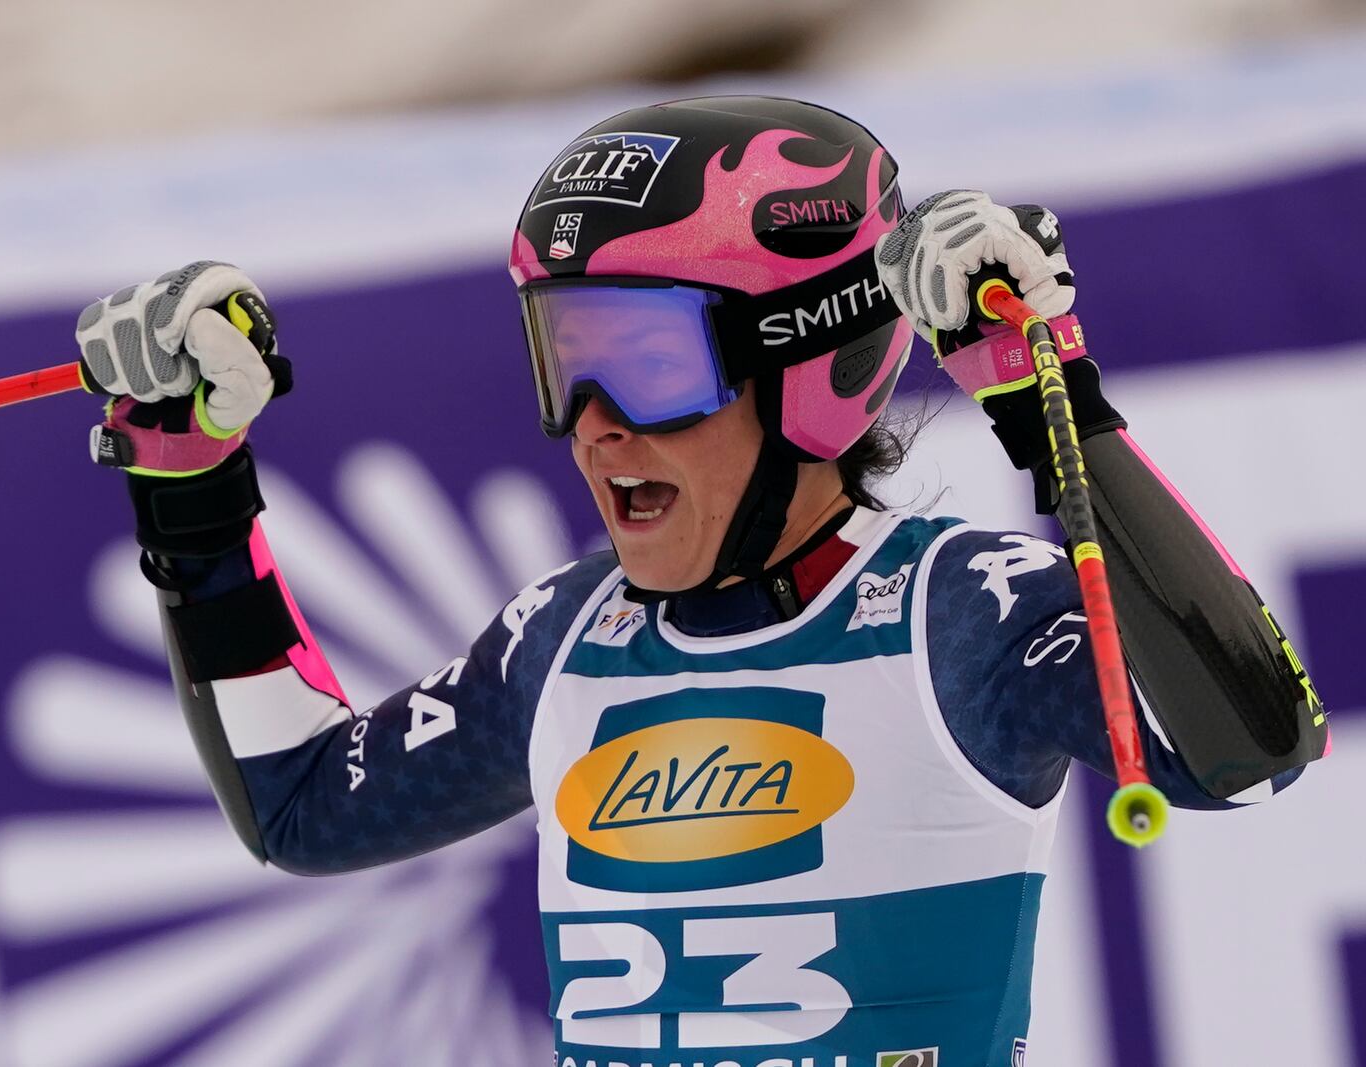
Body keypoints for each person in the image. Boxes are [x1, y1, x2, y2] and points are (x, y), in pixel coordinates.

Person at [73, 96, 1327, 1067]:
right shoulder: (563, 636)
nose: (596, 426)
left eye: (648, 362)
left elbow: (1251, 742)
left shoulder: (964, 616)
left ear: (812, 366)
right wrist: (188, 482)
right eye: (566, 358)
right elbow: (303, 804)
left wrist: (1046, 391)